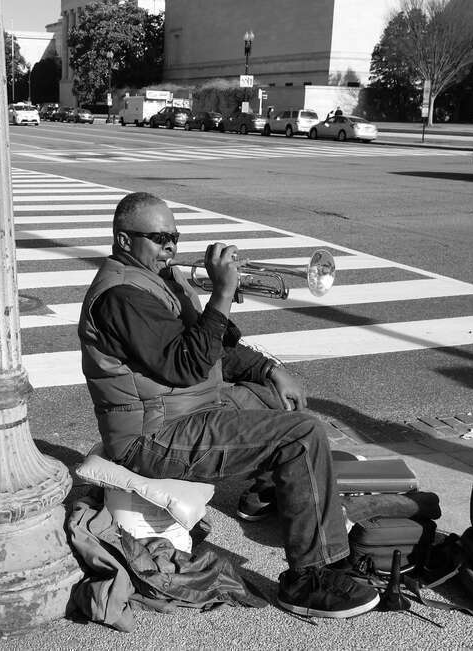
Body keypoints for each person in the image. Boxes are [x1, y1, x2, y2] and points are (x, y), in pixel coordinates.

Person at [78, 192, 380, 619]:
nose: (171, 247)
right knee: (303, 434)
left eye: (175, 237)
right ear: (125, 241)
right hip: (153, 434)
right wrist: (221, 292)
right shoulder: (121, 295)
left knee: (277, 400)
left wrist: (270, 369)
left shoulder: (159, 278)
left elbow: (214, 346)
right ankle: (307, 579)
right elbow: (186, 363)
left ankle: (268, 495)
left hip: (187, 409)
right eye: (159, 237)